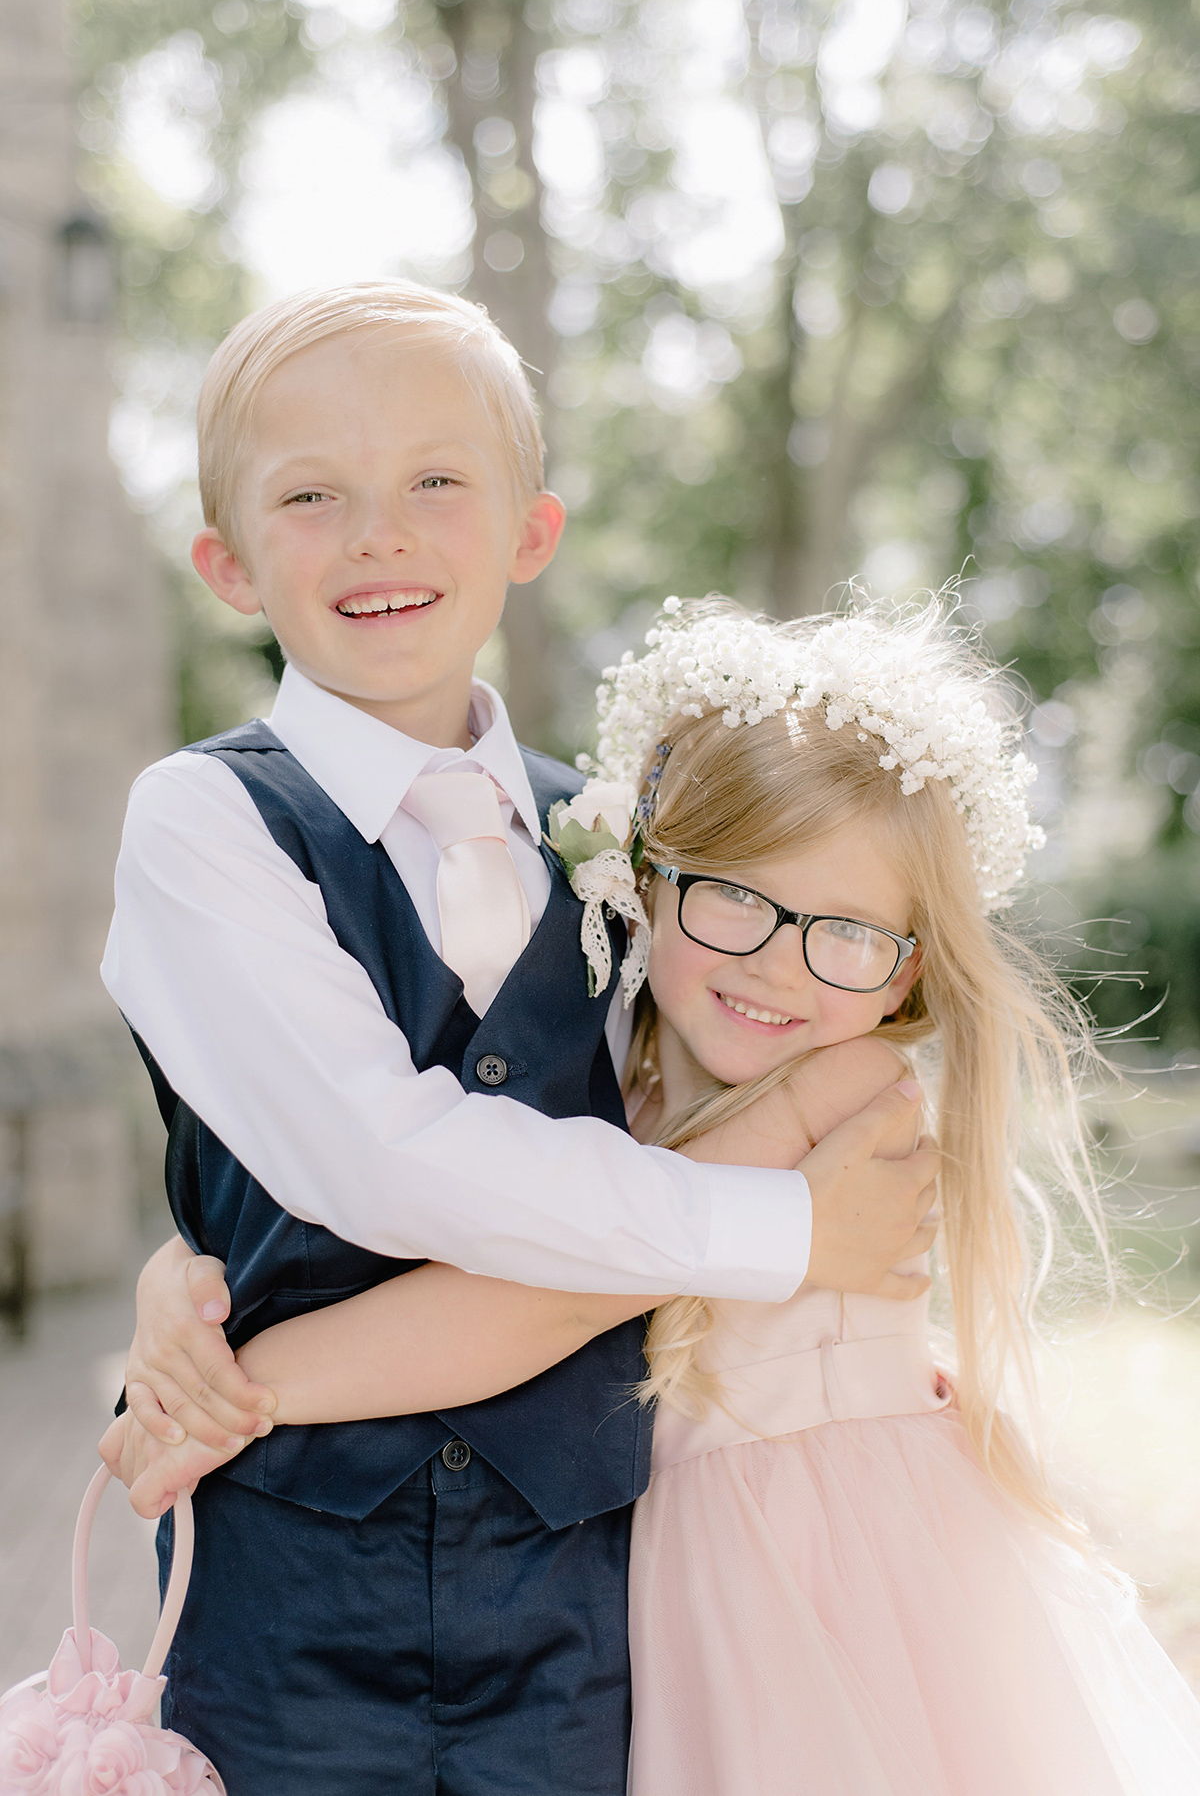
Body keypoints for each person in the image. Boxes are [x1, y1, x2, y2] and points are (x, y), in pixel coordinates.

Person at [115, 599, 1200, 1795]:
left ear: (908, 970)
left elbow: (540, 1305)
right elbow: (450, 1208)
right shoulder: (614, 1079)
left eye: (845, 932)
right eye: (734, 896)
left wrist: (228, 1394)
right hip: (660, 1586)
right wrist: (182, 1277)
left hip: (821, 1586)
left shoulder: (845, 1099)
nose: (777, 963)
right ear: (644, 877)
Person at [97, 287, 938, 1796]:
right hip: (289, 1590)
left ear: (530, 532)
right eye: (310, 495)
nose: (380, 533)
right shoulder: (208, 821)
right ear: (225, 564)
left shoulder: (619, 841)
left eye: (436, 479)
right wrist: (786, 1231)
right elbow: (374, 1159)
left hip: (580, 1593)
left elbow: (693, 1099)